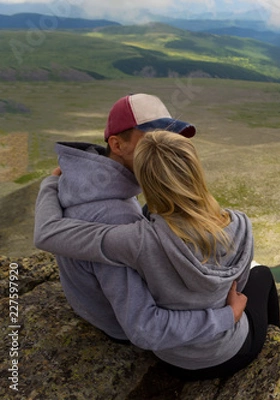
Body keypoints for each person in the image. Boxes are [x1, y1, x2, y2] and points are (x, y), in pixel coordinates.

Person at [35, 130, 280, 379]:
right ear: (195, 170)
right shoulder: (241, 224)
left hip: (170, 357)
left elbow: (48, 234)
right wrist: (229, 314)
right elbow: (236, 286)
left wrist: (51, 184)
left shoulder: (135, 240)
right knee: (262, 275)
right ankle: (277, 353)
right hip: (227, 352)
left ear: (143, 180)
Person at [46, 93, 247, 352]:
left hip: (90, 308)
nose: (164, 146)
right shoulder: (118, 219)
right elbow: (142, 326)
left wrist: (49, 184)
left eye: (169, 137)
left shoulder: (84, 181)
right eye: (151, 138)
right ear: (117, 145)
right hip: (120, 329)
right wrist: (225, 315)